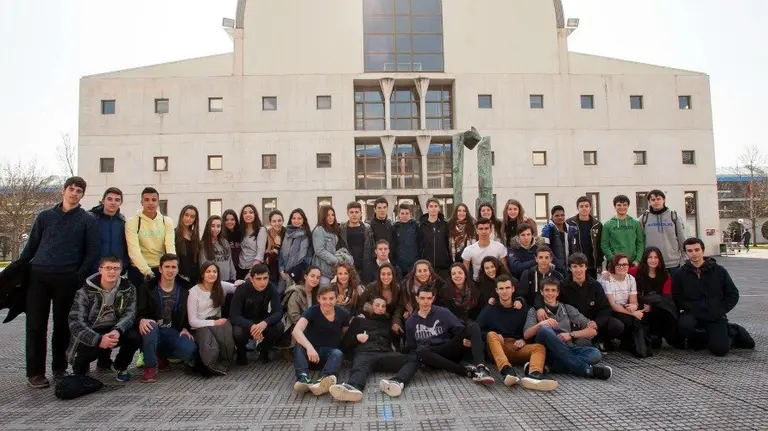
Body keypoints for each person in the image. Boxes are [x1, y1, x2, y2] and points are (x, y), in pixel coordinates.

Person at [20, 176, 100, 388]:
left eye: (79, 191)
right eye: (71, 189)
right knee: (36, 326)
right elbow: (31, 247)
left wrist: (78, 275)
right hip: (39, 277)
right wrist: (19, 269)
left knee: (63, 326)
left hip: (67, 278)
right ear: (63, 191)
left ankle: (59, 368)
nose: (74, 193)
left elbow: (92, 252)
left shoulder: (87, 220)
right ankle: (35, 373)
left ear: (83, 195)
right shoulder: (45, 216)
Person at [673, 238, 754, 356]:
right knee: (684, 326)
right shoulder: (679, 274)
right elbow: (677, 296)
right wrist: (691, 308)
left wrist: (720, 310)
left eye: (697, 250)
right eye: (690, 251)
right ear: (686, 253)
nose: (694, 253)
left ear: (703, 250)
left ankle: (732, 331)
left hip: (715, 313)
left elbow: (733, 294)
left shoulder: (719, 271)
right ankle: (702, 337)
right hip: (693, 313)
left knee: (720, 351)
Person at [330, 297, 420, 402]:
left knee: (415, 358)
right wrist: (356, 339)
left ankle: (396, 382)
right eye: (377, 305)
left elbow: (400, 345)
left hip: (384, 355)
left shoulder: (388, 323)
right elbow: (343, 345)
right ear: (371, 306)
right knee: (359, 369)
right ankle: (352, 388)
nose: (380, 308)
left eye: (383, 306)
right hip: (365, 353)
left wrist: (401, 327)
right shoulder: (359, 321)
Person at [477, 275, 558, 391]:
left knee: (539, 347)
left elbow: (528, 329)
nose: (504, 291)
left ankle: (534, 375)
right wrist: (492, 334)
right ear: (496, 291)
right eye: (501, 288)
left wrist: (524, 340)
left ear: (513, 289)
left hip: (516, 346)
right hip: (498, 345)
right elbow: (477, 329)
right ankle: (507, 371)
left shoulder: (522, 308)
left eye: (507, 288)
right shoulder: (489, 309)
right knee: (491, 335)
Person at [67, 256, 139, 382]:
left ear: (121, 270)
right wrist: (98, 339)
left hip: (114, 329)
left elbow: (130, 313)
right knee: (83, 361)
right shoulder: (84, 291)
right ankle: (81, 368)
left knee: (135, 336)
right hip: (93, 330)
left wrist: (118, 330)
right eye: (108, 268)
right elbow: (76, 322)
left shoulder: (128, 288)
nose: (112, 272)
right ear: (100, 270)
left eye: (116, 268)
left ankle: (120, 367)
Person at [523, 278, 612, 379]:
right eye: (547, 290)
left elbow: (592, 331)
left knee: (595, 354)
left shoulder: (567, 308)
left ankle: (549, 366)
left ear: (558, 293)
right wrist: (540, 324)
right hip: (547, 350)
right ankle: (587, 370)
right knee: (545, 330)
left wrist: (571, 335)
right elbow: (526, 334)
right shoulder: (534, 311)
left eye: (553, 290)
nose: (550, 293)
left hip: (567, 348)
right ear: (541, 292)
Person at [405, 287, 495, 384]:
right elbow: (412, 347)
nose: (426, 301)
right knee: (420, 350)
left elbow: (459, 329)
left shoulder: (442, 312)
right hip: (430, 356)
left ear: (433, 298)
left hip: (447, 349)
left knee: (473, 326)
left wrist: (465, 340)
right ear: (417, 299)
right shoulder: (410, 322)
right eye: (422, 298)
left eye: (429, 298)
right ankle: (462, 370)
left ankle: (481, 368)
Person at [136, 253, 197, 383]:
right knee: (150, 327)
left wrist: (186, 328)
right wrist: (141, 319)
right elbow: (138, 310)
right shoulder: (147, 287)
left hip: (173, 330)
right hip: (153, 329)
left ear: (178, 269)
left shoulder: (186, 288)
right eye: (167, 267)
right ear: (160, 269)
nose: (170, 270)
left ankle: (161, 354)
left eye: (174, 267)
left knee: (189, 350)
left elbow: (188, 311)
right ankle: (150, 366)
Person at [550, 253, 623, 351]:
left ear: (586, 267)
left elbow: (605, 308)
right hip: (573, 322)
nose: (578, 270)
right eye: (575, 266)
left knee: (617, 325)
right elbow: (556, 304)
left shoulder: (595, 285)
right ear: (570, 268)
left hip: (592, 322)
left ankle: (600, 340)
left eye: (581, 266)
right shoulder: (563, 286)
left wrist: (597, 323)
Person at [292, 285, 350, 395]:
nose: (327, 302)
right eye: (324, 298)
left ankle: (324, 380)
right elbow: (296, 331)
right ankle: (303, 379)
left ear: (336, 298)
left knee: (338, 353)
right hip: (310, 356)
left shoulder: (343, 314)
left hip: (329, 357)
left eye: (331, 298)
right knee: (299, 345)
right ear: (318, 299)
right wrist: (309, 347)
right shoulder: (312, 311)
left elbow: (345, 334)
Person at [187, 262, 241, 375]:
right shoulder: (193, 292)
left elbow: (237, 288)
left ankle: (225, 361)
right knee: (210, 349)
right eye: (208, 271)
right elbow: (192, 321)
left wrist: (242, 282)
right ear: (202, 274)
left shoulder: (221, 286)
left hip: (217, 323)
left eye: (214, 271)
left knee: (226, 337)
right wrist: (214, 322)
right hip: (200, 326)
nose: (212, 274)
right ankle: (210, 365)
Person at [230, 264, 284, 365]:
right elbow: (234, 316)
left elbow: (278, 312)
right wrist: (252, 326)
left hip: (262, 320)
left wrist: (265, 323)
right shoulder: (242, 289)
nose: (263, 282)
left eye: (265, 278)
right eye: (258, 279)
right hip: (245, 322)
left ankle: (264, 349)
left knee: (279, 326)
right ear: (251, 279)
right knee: (237, 332)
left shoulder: (271, 287)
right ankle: (241, 353)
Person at [600, 254, 650, 357]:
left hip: (623, 309)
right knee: (625, 322)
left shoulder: (631, 278)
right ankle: (602, 339)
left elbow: (634, 301)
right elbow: (613, 305)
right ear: (613, 266)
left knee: (639, 318)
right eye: (618, 265)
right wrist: (634, 313)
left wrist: (634, 307)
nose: (622, 267)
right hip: (608, 311)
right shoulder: (607, 279)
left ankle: (636, 345)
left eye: (625, 264)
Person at [125, 187, 176, 288]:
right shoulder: (132, 222)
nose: (150, 203)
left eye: (154, 200)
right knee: (138, 302)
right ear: (141, 202)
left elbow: (170, 247)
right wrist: (147, 271)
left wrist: (171, 267)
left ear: (158, 202)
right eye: (146, 200)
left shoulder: (167, 221)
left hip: (160, 269)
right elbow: (133, 251)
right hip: (138, 270)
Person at [631, 247, 679, 348]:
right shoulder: (635, 272)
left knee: (656, 343)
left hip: (657, 309)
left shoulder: (665, 275)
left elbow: (666, 297)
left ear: (660, 259)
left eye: (656, 257)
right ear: (645, 259)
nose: (653, 260)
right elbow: (619, 273)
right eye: (650, 257)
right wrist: (607, 274)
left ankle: (663, 333)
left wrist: (652, 307)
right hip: (639, 307)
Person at [641, 190, 686, 271]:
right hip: (653, 263)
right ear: (649, 202)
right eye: (653, 200)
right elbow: (640, 241)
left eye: (658, 199)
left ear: (664, 200)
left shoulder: (674, 216)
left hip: (673, 263)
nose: (656, 202)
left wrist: (685, 258)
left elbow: (682, 238)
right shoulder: (644, 218)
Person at [88, 187, 129, 274]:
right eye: (109, 199)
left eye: (117, 200)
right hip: (94, 271)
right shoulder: (91, 220)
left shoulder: (123, 223)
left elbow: (125, 247)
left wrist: (124, 265)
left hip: (116, 271)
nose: (113, 202)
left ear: (121, 203)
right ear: (103, 201)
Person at [566, 196, 603, 279]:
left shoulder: (597, 225)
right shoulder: (569, 223)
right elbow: (567, 243)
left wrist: (599, 263)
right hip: (575, 264)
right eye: (581, 206)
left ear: (590, 207)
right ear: (577, 208)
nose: (584, 208)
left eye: (586, 206)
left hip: (591, 265)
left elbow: (600, 245)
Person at [601, 195, 645, 266]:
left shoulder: (635, 223)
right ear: (615, 206)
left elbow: (640, 243)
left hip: (633, 263)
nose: (622, 207)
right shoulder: (607, 225)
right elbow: (604, 245)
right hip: (615, 263)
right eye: (619, 205)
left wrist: (637, 260)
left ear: (628, 206)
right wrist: (612, 259)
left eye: (625, 205)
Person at [400, 260, 444, 326]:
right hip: (412, 317)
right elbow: (401, 304)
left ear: (430, 272)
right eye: (419, 271)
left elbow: (442, 304)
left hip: (435, 317)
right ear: (415, 273)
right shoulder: (406, 285)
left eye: (425, 270)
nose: (423, 274)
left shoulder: (438, 283)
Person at [340, 202, 375, 283]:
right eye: (351, 212)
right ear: (347, 213)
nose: (354, 215)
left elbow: (372, 248)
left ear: (360, 213)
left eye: (356, 212)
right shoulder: (341, 229)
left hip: (365, 268)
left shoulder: (367, 228)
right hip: (348, 267)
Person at [418, 198, 451, 279]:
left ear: (439, 208)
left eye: (436, 206)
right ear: (427, 208)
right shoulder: (421, 226)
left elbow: (448, 243)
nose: (433, 208)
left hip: (443, 266)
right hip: (426, 266)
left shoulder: (445, 225)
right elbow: (419, 244)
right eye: (431, 206)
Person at [279, 208, 313, 287]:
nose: (296, 221)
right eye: (294, 218)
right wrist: (281, 270)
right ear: (290, 219)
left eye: (299, 218)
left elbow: (308, 258)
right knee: (280, 293)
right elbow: (280, 254)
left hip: (298, 274)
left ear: (303, 220)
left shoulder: (307, 235)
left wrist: (293, 272)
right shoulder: (285, 233)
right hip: (283, 273)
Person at [284, 266, 322, 334]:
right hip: (297, 328)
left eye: (318, 277)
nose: (315, 279)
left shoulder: (317, 293)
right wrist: (312, 325)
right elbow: (294, 316)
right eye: (312, 276)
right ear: (305, 277)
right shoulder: (296, 293)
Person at [200, 216, 237, 282]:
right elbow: (203, 267)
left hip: (228, 280)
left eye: (218, 226)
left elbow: (230, 261)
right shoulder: (203, 245)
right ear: (208, 227)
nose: (216, 229)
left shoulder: (225, 242)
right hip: (213, 282)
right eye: (213, 226)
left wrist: (233, 278)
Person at [312, 205, 342, 285]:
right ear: (323, 216)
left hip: (332, 271)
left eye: (333, 215)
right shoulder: (319, 230)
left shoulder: (332, 231)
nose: (331, 217)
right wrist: (335, 260)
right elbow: (319, 250)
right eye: (328, 215)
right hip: (323, 271)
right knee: (324, 293)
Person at [540, 205, 575, 273]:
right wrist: (558, 265)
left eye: (562, 215)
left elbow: (573, 249)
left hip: (569, 268)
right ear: (552, 217)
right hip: (554, 268)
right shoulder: (547, 230)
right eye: (557, 215)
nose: (560, 217)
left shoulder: (570, 230)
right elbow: (545, 249)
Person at [174, 205, 201, 288]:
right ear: (182, 215)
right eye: (186, 215)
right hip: (178, 279)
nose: (188, 218)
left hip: (194, 280)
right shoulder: (173, 234)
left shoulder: (195, 236)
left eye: (192, 217)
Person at [238, 204, 267, 280]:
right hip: (241, 267)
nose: (248, 215)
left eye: (251, 212)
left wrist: (251, 272)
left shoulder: (261, 230)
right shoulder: (241, 230)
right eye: (245, 213)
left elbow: (260, 254)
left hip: (254, 269)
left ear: (255, 214)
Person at [369, 197, 398, 265]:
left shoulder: (390, 224)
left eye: (384, 207)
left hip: (390, 263)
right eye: (379, 208)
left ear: (387, 209)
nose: (382, 210)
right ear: (374, 210)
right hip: (376, 264)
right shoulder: (370, 226)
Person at [393, 203, 419, 276]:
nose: (404, 215)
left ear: (410, 214)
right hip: (400, 265)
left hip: (413, 264)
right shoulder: (395, 228)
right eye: (402, 213)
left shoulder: (415, 226)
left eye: (407, 213)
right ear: (399, 214)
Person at [265, 210, 285, 285]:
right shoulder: (267, 235)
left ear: (283, 221)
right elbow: (268, 261)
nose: (277, 223)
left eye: (279, 221)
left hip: (284, 269)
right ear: (270, 222)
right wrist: (277, 246)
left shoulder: (287, 234)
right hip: (271, 271)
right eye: (274, 221)